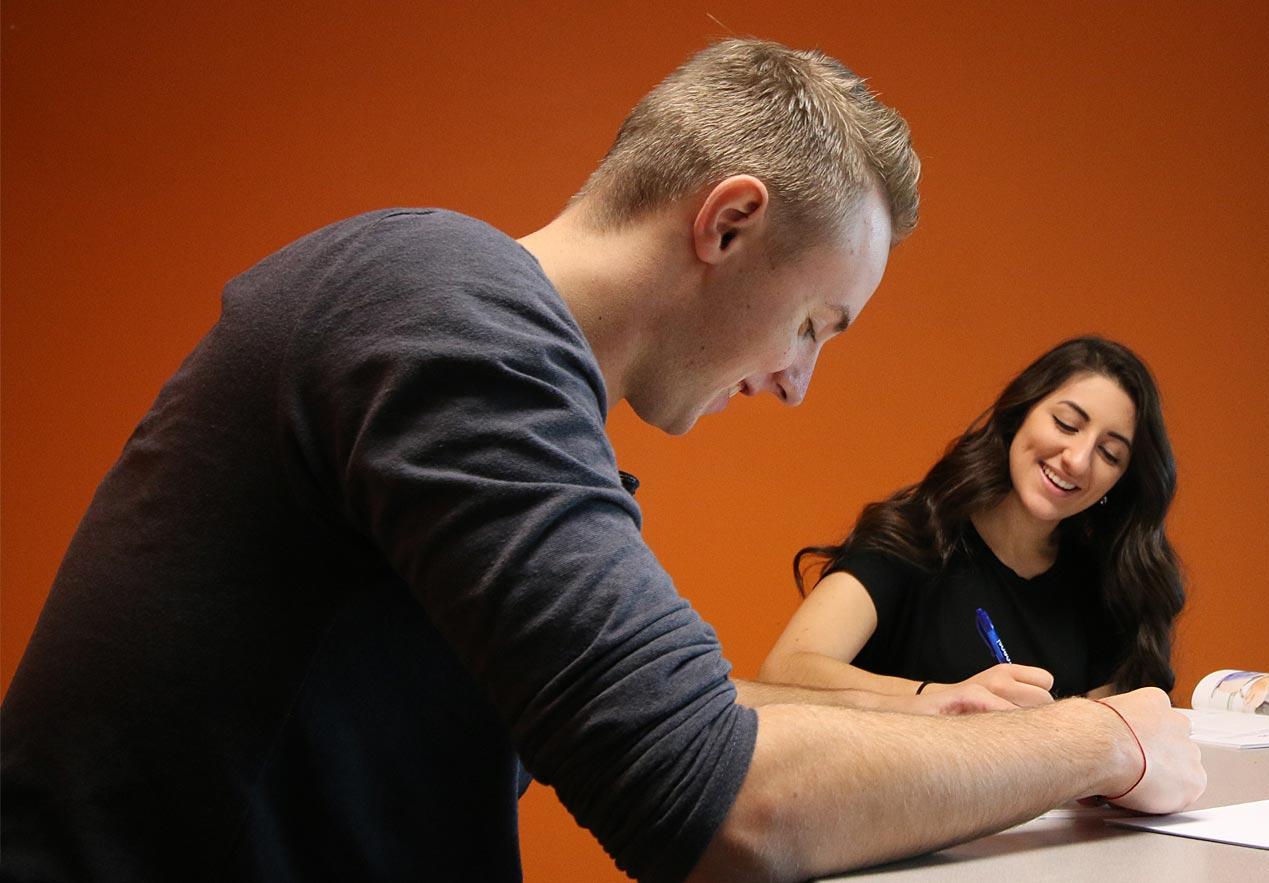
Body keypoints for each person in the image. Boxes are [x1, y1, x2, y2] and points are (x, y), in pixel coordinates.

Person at [0, 39, 1204, 883]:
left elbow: (657, 707)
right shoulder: (448, 320)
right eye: (814, 325)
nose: (797, 381)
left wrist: (944, 723)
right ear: (727, 223)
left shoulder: (476, 345)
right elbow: (716, 807)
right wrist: (1109, 739)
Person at [761, 337, 1184, 707]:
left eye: (1109, 454)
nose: (1077, 460)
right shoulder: (916, 537)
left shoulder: (1104, 585)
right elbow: (785, 671)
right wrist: (945, 698)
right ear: (1019, 414)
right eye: (1066, 424)